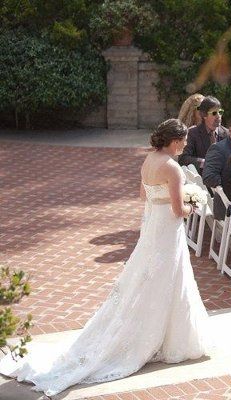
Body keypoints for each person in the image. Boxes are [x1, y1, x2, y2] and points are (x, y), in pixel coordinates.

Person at [0, 119, 209, 395]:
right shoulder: (172, 167)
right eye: (182, 141)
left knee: (148, 279)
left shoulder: (149, 160)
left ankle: (160, 334)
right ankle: (166, 340)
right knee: (168, 280)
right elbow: (177, 209)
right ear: (174, 140)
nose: (184, 145)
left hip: (152, 229)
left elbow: (142, 195)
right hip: (167, 232)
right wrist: (192, 205)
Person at [178, 96, 228, 173]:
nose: (219, 116)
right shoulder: (192, 133)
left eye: (220, 112)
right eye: (214, 113)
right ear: (204, 115)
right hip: (202, 180)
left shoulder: (227, 134)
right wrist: (205, 163)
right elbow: (183, 159)